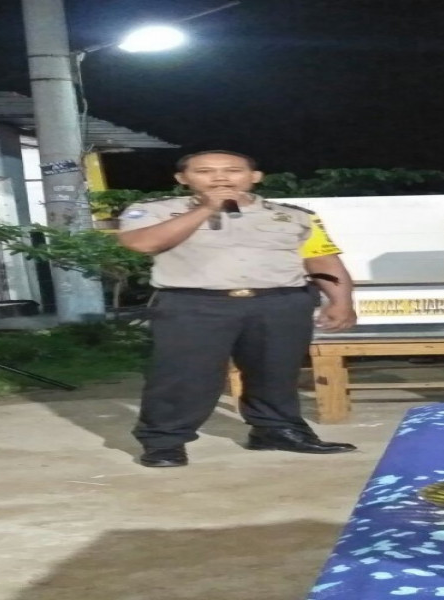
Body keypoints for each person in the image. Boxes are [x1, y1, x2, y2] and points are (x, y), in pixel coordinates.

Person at [118, 150, 358, 467]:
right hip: (195, 304)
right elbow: (142, 243)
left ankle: (277, 431)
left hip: (280, 302)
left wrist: (341, 300)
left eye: (232, 170)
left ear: (255, 177)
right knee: (185, 376)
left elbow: (321, 259)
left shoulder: (294, 216)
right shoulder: (154, 210)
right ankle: (164, 442)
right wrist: (206, 208)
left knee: (276, 372)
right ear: (182, 178)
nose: (220, 177)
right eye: (205, 171)